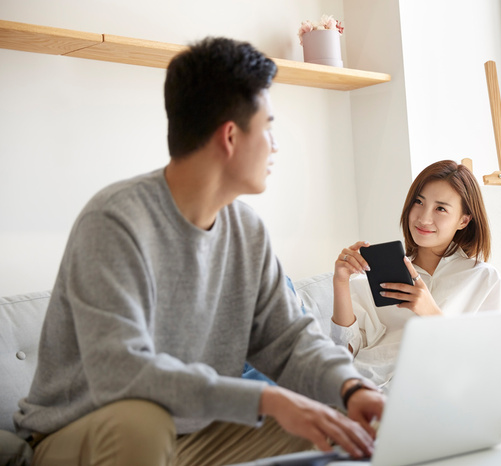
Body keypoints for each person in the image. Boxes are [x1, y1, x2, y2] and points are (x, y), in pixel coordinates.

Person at [14, 37, 384, 466]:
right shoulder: (115, 221)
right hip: (82, 434)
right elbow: (122, 373)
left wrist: (351, 388)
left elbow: (289, 340)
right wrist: (268, 399)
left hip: (193, 431)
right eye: (268, 126)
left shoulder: (246, 230)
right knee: (141, 423)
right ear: (230, 136)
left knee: (341, 423)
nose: (275, 145)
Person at [330, 160, 501, 389]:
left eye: (440, 208)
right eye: (418, 202)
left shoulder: (483, 280)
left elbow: (486, 366)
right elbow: (343, 353)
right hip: (362, 392)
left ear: (463, 220)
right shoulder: (371, 278)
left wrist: (430, 313)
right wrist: (341, 282)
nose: (423, 218)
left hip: (428, 398)